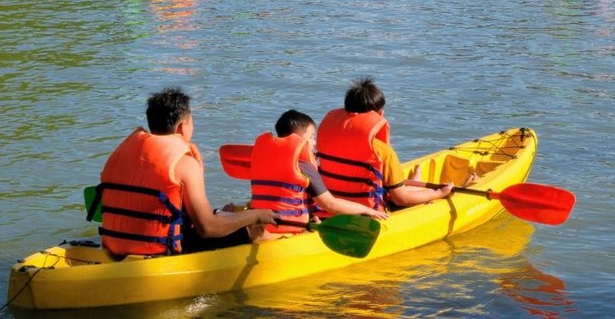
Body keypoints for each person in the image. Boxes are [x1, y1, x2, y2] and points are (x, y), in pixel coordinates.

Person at [96, 87, 277, 256]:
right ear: (183, 126)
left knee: (220, 215)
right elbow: (208, 228)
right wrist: (255, 215)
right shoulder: (184, 163)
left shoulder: (123, 154)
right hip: (161, 253)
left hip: (114, 245)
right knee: (254, 229)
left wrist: (226, 215)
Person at [246, 109, 388, 239]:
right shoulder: (304, 166)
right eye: (311, 137)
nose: (314, 143)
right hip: (291, 231)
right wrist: (368, 210)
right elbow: (330, 204)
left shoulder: (264, 159)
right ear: (298, 139)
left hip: (264, 228)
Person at [316, 78, 454, 211]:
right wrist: (440, 193)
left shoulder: (323, 141)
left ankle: (415, 181)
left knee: (393, 188)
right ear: (380, 114)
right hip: (369, 215)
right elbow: (401, 199)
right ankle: (432, 185)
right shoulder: (382, 151)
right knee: (401, 193)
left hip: (329, 209)